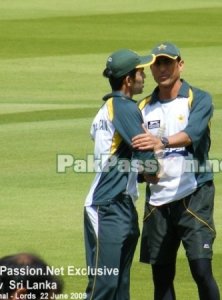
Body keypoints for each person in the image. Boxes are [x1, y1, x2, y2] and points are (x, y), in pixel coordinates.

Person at [132, 42, 220, 300]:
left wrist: (163, 141)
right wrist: (143, 172)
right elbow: (137, 149)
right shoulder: (143, 107)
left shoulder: (198, 98)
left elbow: (194, 133)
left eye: (168, 62)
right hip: (157, 200)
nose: (162, 69)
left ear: (180, 65)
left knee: (201, 271)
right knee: (161, 278)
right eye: (157, 63)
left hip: (194, 196)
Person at [83, 49, 157, 300]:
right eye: (140, 71)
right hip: (107, 205)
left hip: (120, 202)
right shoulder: (124, 107)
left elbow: (116, 155)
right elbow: (142, 149)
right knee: (103, 286)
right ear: (128, 80)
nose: (144, 75)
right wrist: (153, 172)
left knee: (120, 287)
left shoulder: (107, 107)